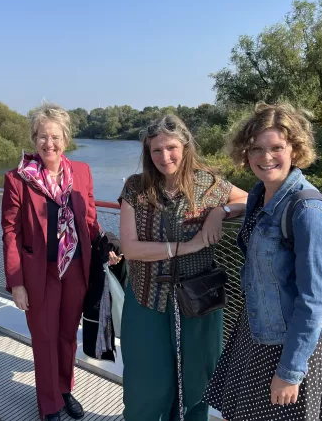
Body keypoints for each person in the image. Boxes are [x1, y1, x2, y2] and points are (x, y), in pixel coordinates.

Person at [203, 103, 322, 420]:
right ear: (245, 153)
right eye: (256, 149)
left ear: (295, 148)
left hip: (291, 342)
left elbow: (315, 301)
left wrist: (291, 371)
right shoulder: (258, 194)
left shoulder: (309, 213)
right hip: (259, 327)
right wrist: (220, 211)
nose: (266, 158)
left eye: (276, 148)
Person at [118, 114, 248, 421]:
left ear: (186, 146)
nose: (165, 157)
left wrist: (221, 211)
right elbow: (130, 248)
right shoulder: (136, 189)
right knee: (145, 381)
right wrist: (182, 248)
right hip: (146, 297)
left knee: (198, 379)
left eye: (172, 147)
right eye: (156, 151)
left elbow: (252, 199)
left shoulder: (209, 184)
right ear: (148, 154)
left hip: (199, 300)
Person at [1, 102, 105, 421]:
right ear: (34, 139)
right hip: (39, 273)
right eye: (43, 136)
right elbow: (10, 231)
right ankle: (48, 403)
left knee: (66, 335)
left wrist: (105, 247)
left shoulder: (82, 172)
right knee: (44, 337)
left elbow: (89, 220)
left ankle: (64, 389)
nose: (50, 143)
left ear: (66, 139)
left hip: (75, 268)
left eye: (56, 136)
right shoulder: (18, 178)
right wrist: (16, 283)